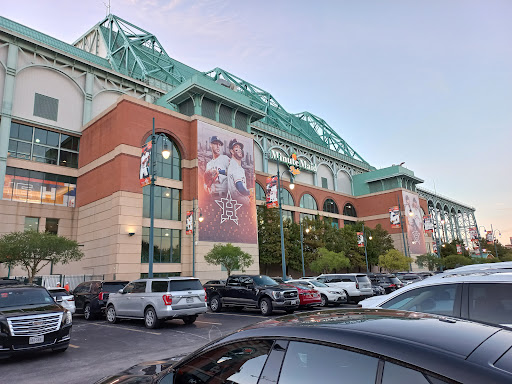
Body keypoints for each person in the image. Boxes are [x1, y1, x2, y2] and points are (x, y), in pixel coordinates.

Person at [227, 139, 254, 204]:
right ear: (231, 151)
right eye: (236, 148)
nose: (239, 150)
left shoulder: (235, 166)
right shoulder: (235, 167)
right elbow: (240, 188)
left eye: (240, 148)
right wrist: (250, 192)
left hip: (236, 202)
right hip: (240, 203)